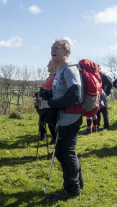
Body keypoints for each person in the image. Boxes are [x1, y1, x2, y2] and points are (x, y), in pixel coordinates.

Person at [39, 39, 83, 200]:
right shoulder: (59, 70)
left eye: (57, 48)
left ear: (67, 52)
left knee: (65, 153)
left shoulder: (70, 70)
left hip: (70, 118)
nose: (53, 50)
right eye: (51, 48)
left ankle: (72, 189)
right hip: (64, 117)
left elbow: (75, 95)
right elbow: (62, 93)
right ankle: (78, 184)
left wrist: (50, 103)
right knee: (66, 152)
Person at [35, 60, 57, 144]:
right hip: (45, 103)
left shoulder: (56, 77)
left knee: (52, 122)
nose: (47, 65)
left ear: (55, 66)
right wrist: (38, 95)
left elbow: (54, 91)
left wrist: (43, 96)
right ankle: (51, 137)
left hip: (51, 103)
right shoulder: (49, 77)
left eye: (49, 64)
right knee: (47, 120)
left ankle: (55, 139)